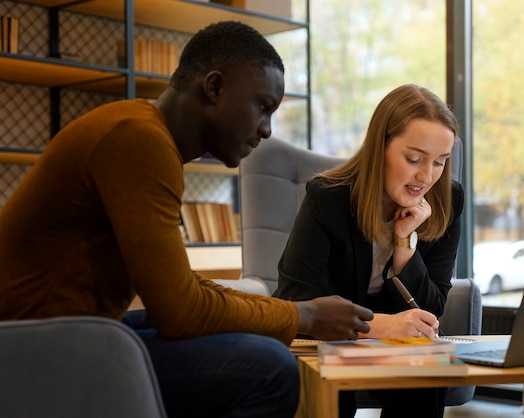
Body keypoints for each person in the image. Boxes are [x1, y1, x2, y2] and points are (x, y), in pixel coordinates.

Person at [0, 21, 374, 418]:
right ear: (214, 88)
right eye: (263, 107)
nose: (266, 129)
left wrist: (292, 314)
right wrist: (305, 315)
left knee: (252, 336)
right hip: (29, 347)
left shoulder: (145, 135)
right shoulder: (139, 141)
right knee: (269, 369)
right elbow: (180, 312)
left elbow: (183, 288)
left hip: (70, 334)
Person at [274, 84, 465, 418]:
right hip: (332, 335)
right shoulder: (328, 197)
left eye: (439, 162)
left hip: (403, 343)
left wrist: (405, 243)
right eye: (414, 158)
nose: (426, 176)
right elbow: (293, 299)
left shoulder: (447, 199)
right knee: (332, 389)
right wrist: (380, 326)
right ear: (381, 147)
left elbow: (432, 310)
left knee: (422, 365)